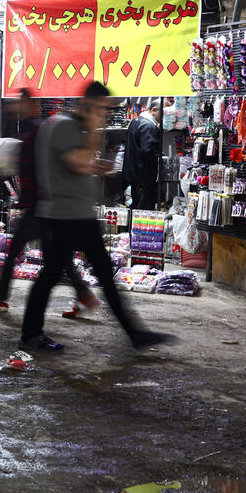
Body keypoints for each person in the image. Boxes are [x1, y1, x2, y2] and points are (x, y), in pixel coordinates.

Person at [19, 81, 173, 352]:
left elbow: (78, 166)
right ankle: (30, 334)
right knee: (51, 274)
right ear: (90, 104)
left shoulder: (73, 128)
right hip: (60, 217)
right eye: (103, 108)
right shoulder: (63, 126)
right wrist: (93, 131)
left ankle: (135, 334)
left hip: (79, 215)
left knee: (104, 274)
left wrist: (96, 164)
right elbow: (78, 163)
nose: (106, 114)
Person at [0, 89, 96, 315]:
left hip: (41, 206)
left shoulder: (39, 130)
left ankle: (3, 297)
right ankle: (83, 294)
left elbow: (40, 169)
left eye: (20, 103)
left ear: (31, 105)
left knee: (34, 255)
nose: (16, 107)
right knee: (56, 258)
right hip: (42, 205)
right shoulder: (35, 130)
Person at [123, 99, 162, 210]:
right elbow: (148, 150)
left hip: (134, 172)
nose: (164, 117)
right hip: (143, 174)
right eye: (163, 113)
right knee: (144, 207)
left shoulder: (136, 121)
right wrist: (160, 157)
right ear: (154, 110)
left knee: (136, 204)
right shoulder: (149, 126)